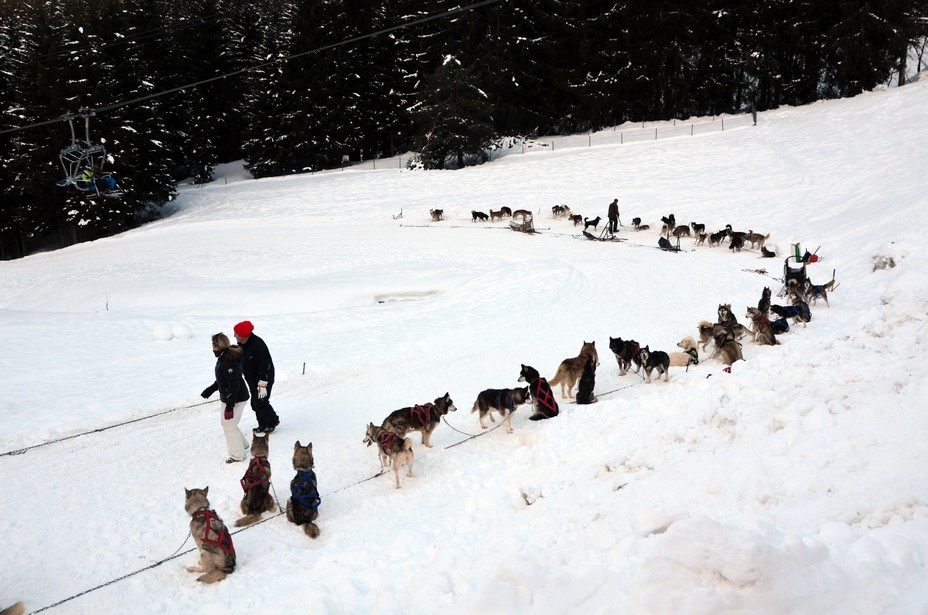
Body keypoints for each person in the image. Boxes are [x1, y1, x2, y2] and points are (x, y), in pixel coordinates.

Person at [201, 333, 250, 463]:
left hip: (237, 399)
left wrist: (230, 406)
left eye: (213, 345)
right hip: (228, 397)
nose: (212, 348)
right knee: (227, 424)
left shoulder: (229, 362)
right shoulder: (223, 358)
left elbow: (234, 386)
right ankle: (243, 445)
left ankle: (238, 455)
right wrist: (211, 389)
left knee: (229, 426)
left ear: (219, 346)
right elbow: (223, 380)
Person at [233, 320, 280, 433]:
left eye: (236, 333)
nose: (234, 335)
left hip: (264, 379)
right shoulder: (242, 344)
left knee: (261, 402)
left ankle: (272, 422)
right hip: (252, 379)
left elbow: (266, 366)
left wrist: (262, 383)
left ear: (243, 335)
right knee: (255, 403)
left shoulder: (257, 345)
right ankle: (262, 425)